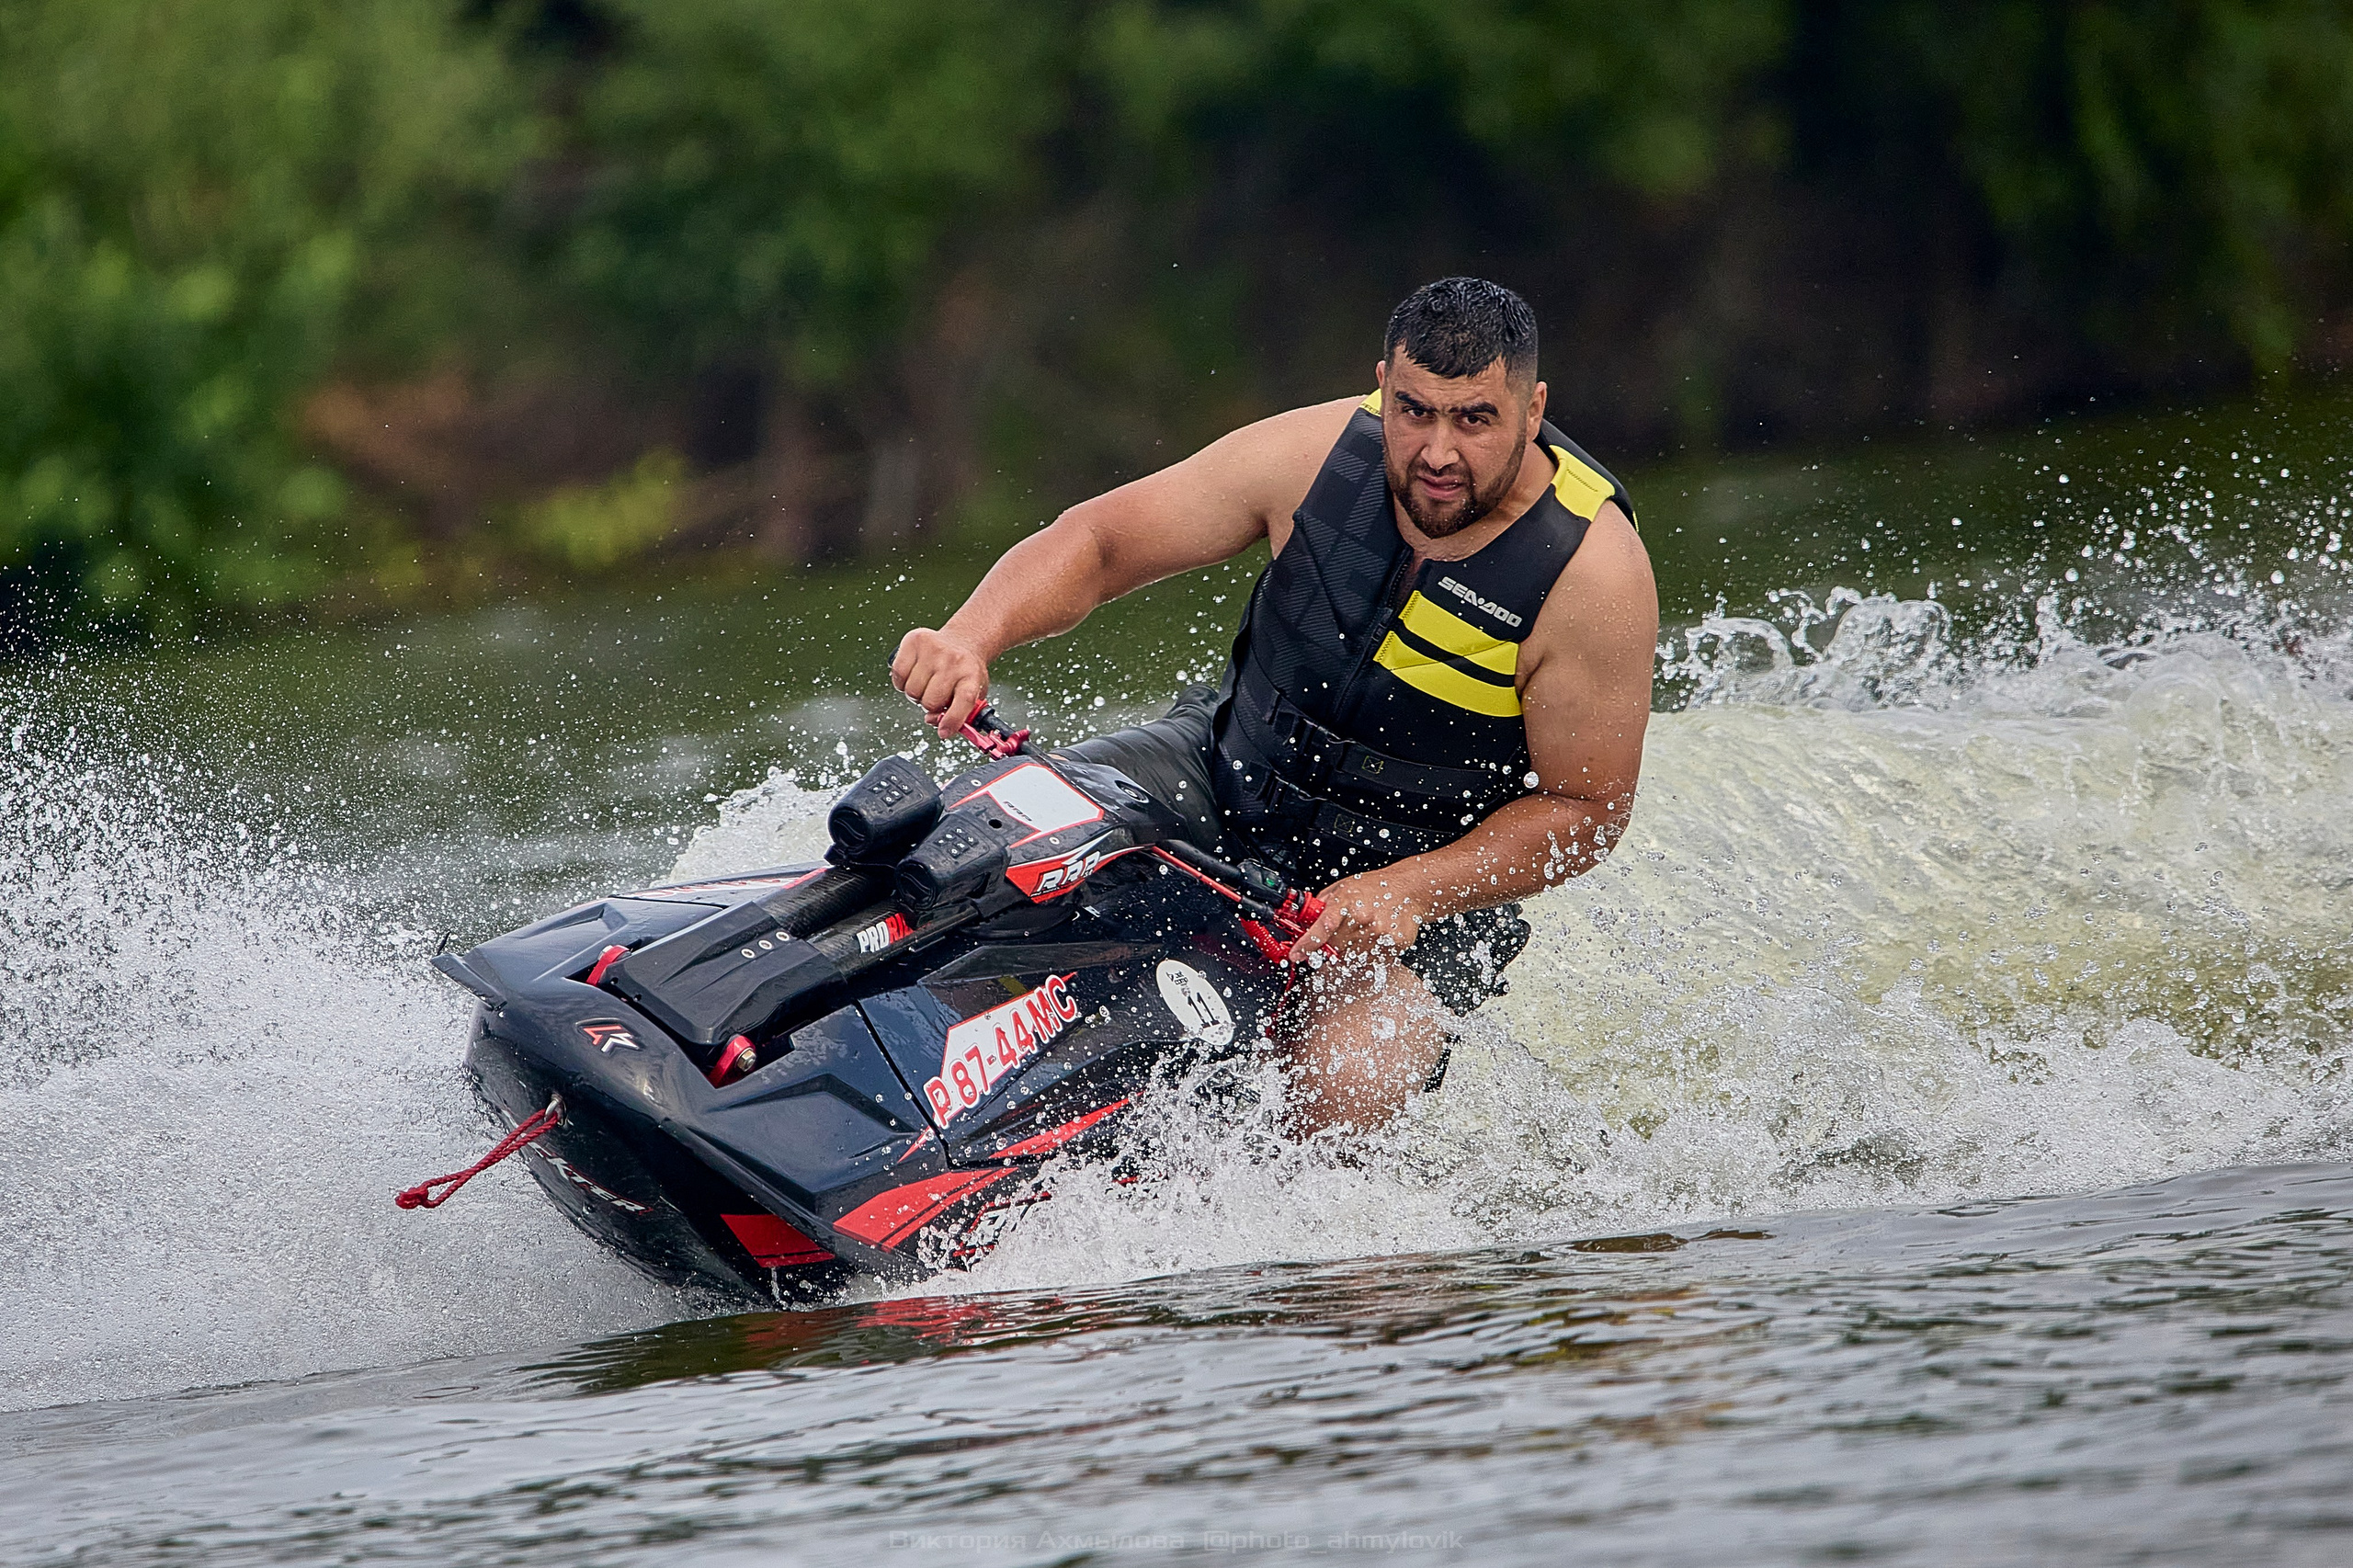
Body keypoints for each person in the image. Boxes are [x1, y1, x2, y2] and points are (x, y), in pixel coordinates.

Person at [892, 277, 1657, 1133]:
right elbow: (1101, 541)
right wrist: (971, 637)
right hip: (1221, 775)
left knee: (1351, 1078)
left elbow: (1588, 808)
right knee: (980, 836)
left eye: (1475, 420)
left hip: (1418, 889)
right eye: (1414, 412)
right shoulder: (1311, 456)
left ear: (1532, 409)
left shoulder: (1591, 574)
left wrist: (1407, 889)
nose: (1438, 453)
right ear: (1383, 386)